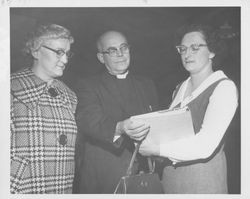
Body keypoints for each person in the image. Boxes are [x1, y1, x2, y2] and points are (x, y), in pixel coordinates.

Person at [139, 24, 238, 193]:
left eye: (195, 48)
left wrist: (157, 149)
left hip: (203, 180)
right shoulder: (179, 88)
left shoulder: (224, 88)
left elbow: (205, 145)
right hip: (171, 180)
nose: (187, 54)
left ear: (212, 51)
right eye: (183, 49)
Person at [74, 30, 158, 193]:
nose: (120, 54)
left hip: (146, 174)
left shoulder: (146, 84)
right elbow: (88, 120)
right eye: (112, 50)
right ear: (101, 57)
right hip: (105, 177)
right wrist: (119, 127)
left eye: (124, 47)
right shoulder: (88, 85)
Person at [10, 24, 77, 193]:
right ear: (35, 51)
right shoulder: (9, 89)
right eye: (59, 52)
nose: (65, 60)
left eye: (67, 53)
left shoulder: (70, 96)